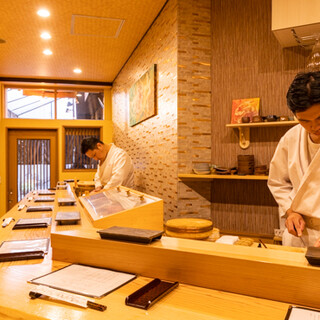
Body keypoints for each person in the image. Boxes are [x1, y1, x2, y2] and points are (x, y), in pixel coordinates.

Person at [268, 71, 320, 248]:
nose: (314, 127)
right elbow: (278, 182)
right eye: (305, 121)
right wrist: (291, 211)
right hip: (299, 234)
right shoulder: (291, 138)